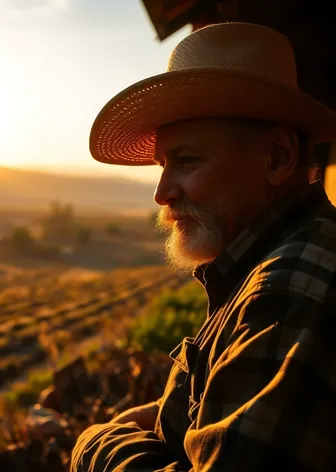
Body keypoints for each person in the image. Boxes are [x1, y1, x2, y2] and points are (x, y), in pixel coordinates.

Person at [70, 22, 336, 472]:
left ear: (277, 157)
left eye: (188, 160)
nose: (162, 192)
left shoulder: (290, 286)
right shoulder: (263, 267)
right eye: (162, 164)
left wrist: (98, 443)